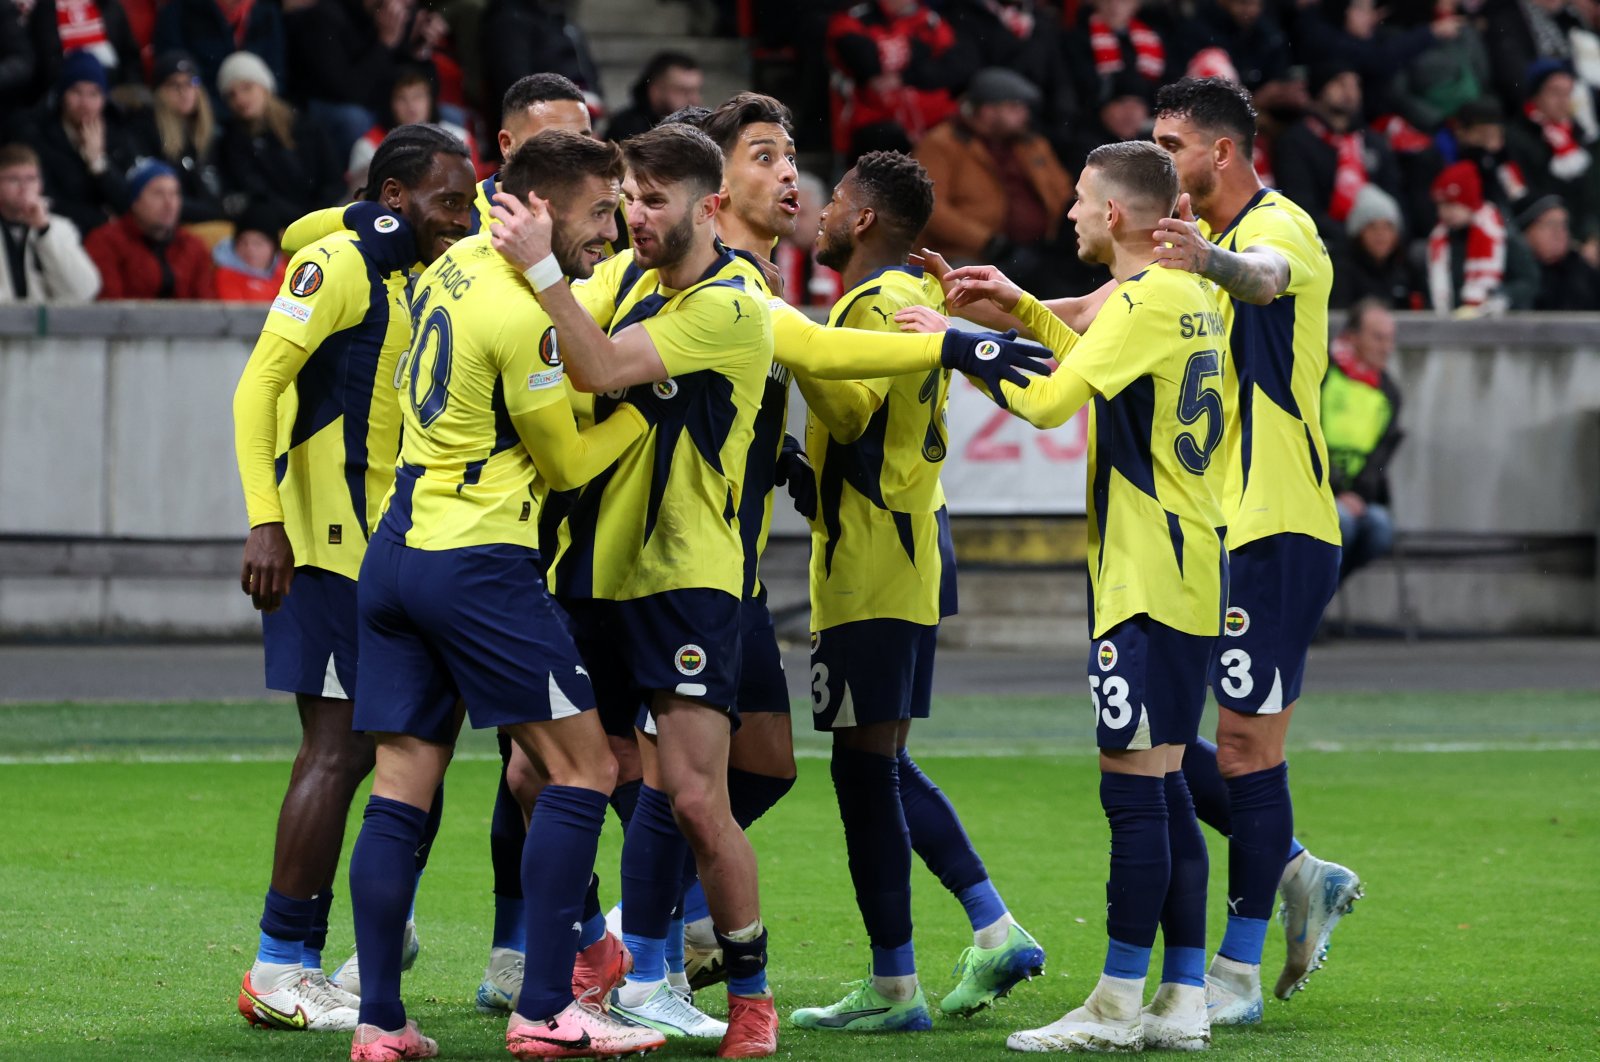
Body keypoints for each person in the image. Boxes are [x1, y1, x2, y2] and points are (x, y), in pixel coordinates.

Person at [344, 129, 666, 1062]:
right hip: (478, 563)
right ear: (550, 209)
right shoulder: (523, 311)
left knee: (400, 792)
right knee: (585, 771)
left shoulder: (448, 272)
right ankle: (544, 1010)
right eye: (603, 210)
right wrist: (642, 411)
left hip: (397, 550)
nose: (612, 229)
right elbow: (566, 462)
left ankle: (381, 1022)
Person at [939, 140, 1225, 1053]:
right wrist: (1015, 307)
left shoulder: (1144, 298)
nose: (1066, 213)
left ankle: (1111, 1004)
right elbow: (1098, 356)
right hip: (1188, 565)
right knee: (1170, 787)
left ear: (1114, 215)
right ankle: (1181, 998)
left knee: (1133, 792)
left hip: (1143, 576)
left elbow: (1054, 401)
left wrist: (960, 345)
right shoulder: (1190, 295)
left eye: (1078, 200)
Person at [788, 149, 1045, 1034]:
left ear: (861, 220)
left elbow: (853, 411)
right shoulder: (920, 293)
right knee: (881, 765)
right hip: (908, 542)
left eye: (834, 205)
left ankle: (894, 985)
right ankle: (993, 927)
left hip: (869, 558)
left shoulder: (864, 303)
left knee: (863, 776)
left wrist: (785, 341)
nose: (818, 216)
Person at [229, 124, 474, 1034]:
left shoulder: (426, 258)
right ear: (397, 198)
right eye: (450, 201)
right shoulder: (337, 265)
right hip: (327, 545)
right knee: (337, 748)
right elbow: (259, 387)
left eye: (470, 196)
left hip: (401, 546)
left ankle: (381, 924)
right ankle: (278, 964)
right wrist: (265, 518)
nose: (467, 215)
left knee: (417, 743)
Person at [1148, 75, 1363, 1021]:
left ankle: (1235, 974)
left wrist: (1207, 260)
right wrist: (996, 317)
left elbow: (1266, 278)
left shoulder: (1283, 227)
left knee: (1240, 748)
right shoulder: (1196, 248)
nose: (1159, 158)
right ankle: (1299, 870)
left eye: (1171, 142)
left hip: (1279, 525)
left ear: (1220, 153)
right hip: (1210, 524)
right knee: (1148, 733)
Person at [913, 68, 1074, 294]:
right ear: (987, 111)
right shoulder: (942, 144)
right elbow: (931, 209)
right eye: (1014, 108)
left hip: (1039, 251)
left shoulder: (1031, 144)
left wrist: (1068, 230)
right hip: (966, 256)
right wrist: (990, 244)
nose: (1024, 115)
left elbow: (1062, 189)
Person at [1271, 62, 1406, 253]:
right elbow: (1301, 207)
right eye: (1340, 83)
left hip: (1376, 246)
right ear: (1321, 87)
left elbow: (1394, 195)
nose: (1350, 92)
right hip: (1325, 245)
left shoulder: (1372, 141)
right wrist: (1354, 236)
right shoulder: (1296, 142)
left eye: (1355, 84)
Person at [216, 49, 344, 233]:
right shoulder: (232, 143)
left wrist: (318, 218)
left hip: (323, 221)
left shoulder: (306, 126)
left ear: (265, 87)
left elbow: (333, 181)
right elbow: (260, 195)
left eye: (247, 88)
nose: (240, 99)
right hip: (282, 229)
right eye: (231, 95)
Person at [824, 0, 972, 158]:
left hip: (930, 114)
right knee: (887, 142)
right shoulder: (852, 20)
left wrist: (905, 76)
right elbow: (867, 66)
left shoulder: (927, 20)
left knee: (962, 133)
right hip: (873, 117)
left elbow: (958, 65)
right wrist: (918, 53)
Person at [1323, 300, 1404, 584]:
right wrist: (1334, 490)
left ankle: (1323, 592)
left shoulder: (1389, 393)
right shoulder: (1323, 374)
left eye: (1390, 339)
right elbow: (1308, 436)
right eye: (1378, 337)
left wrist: (1357, 494)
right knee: (1341, 523)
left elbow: (1380, 456)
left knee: (1379, 528)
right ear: (1353, 336)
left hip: (1359, 497)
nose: (1386, 347)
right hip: (1317, 490)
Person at [27, 49, 135, 237]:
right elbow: (49, 200)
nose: (85, 103)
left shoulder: (119, 134)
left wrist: (98, 163)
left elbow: (128, 202)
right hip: (65, 236)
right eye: (76, 92)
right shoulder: (39, 136)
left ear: (104, 99)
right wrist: (100, 220)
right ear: (62, 96)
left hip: (116, 237)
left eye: (93, 94)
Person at [1506, 59, 1600, 259]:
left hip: (1585, 239)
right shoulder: (1518, 138)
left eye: (1568, 93)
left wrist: (1592, 236)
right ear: (1536, 95)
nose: (1563, 101)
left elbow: (1591, 194)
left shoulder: (1578, 135)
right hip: (1545, 242)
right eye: (1555, 93)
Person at [85, 159, 215, 299]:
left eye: (174, 194)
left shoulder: (193, 246)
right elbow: (109, 306)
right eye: (158, 194)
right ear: (135, 201)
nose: (169, 203)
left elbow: (207, 307)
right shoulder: (105, 241)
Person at [1423, 159, 1537, 313]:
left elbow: (1529, 281)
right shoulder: (1439, 241)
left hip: (1499, 326)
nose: (1446, 212)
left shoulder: (1501, 234)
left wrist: (1503, 297)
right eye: (1442, 205)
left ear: (1470, 201)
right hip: (1451, 326)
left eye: (1453, 204)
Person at [127, 50, 226, 224]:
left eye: (190, 83)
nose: (184, 92)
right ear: (159, 91)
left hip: (207, 220)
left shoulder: (209, 133)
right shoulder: (146, 129)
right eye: (174, 85)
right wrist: (219, 212)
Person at [0, 141, 100, 302]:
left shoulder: (60, 228)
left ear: (41, 184)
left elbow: (84, 291)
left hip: (46, 324)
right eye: (13, 179)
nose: (24, 187)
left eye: (31, 179)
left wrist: (44, 231)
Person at [1332, 184, 1418, 308]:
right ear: (1358, 233)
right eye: (1372, 226)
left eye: (1388, 227)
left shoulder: (1407, 269)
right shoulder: (1341, 271)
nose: (1380, 234)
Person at [1519, 192, 1600, 309]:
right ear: (1525, 232)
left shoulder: (1583, 273)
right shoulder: (1516, 275)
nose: (1559, 233)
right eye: (1550, 224)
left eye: (1563, 224)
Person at [774, 170, 842, 307]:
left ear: (822, 213)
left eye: (802, 214)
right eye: (790, 213)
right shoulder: (770, 253)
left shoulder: (841, 254)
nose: (795, 222)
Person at [604, 51, 702, 143]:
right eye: (683, 91)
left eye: (697, 90)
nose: (694, 99)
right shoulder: (627, 130)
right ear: (656, 91)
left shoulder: (700, 127)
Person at [214, 204, 285, 301]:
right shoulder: (225, 276)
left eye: (258, 243)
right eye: (243, 242)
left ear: (274, 247)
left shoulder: (286, 275)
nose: (249, 249)